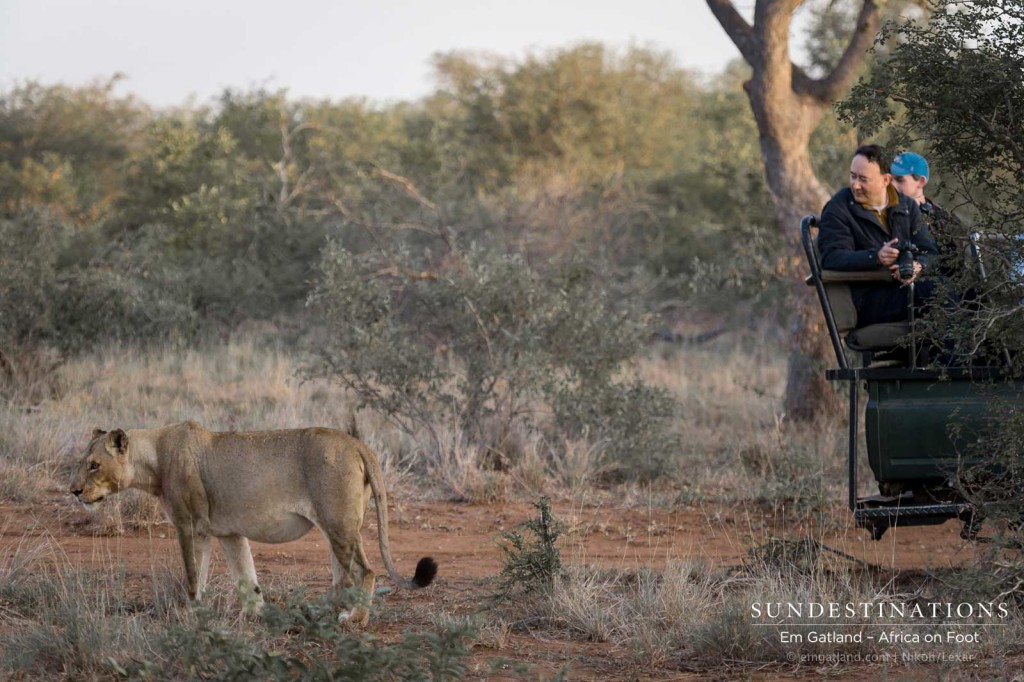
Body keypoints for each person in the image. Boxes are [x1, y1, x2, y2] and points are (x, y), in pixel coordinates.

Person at [818, 144, 940, 327]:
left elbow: (930, 251)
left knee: (971, 294)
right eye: (853, 176)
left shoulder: (908, 205)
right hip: (870, 298)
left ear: (886, 180)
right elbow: (831, 257)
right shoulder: (838, 208)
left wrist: (918, 266)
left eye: (863, 179)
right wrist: (875, 257)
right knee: (935, 291)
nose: (855, 185)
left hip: (909, 288)